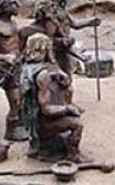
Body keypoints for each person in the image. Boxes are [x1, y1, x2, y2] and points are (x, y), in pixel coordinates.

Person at [20, 34, 84, 162]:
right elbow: (46, 110)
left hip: (31, 120)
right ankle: (73, 155)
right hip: (41, 123)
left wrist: (58, 75)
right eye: (49, 49)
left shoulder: (27, 68)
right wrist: (67, 109)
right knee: (77, 124)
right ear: (44, 49)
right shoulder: (42, 75)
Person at [0, 0, 27, 141]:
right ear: (6, 6)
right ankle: (11, 130)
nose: (19, 6)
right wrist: (5, 57)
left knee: (23, 98)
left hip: (20, 66)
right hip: (7, 70)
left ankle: (22, 126)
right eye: (14, 3)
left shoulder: (13, 23)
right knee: (15, 101)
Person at [44, 0, 100, 74]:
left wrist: (90, 22)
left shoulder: (62, 10)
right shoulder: (50, 13)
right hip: (55, 51)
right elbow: (50, 37)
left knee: (67, 75)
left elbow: (74, 24)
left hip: (65, 49)